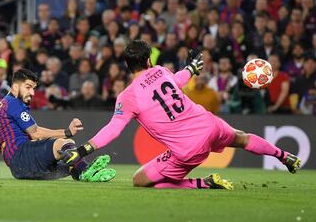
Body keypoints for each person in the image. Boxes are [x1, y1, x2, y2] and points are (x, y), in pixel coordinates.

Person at [58, 40, 301, 190]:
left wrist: (82, 150)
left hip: (187, 149)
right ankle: (284, 155)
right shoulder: (162, 72)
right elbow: (177, 80)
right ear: (148, 59)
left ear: (127, 64)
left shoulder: (127, 97)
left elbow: (114, 129)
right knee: (243, 138)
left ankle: (203, 183)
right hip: (209, 124)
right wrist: (192, 68)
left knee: (140, 180)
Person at [0, 68, 116, 181]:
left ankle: (82, 173)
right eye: (28, 87)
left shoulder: (7, 103)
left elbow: (34, 134)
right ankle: (85, 168)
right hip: (21, 156)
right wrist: (66, 132)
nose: (32, 92)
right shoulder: (13, 103)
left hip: (19, 168)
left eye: (33, 89)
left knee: (69, 161)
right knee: (64, 143)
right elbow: (35, 133)